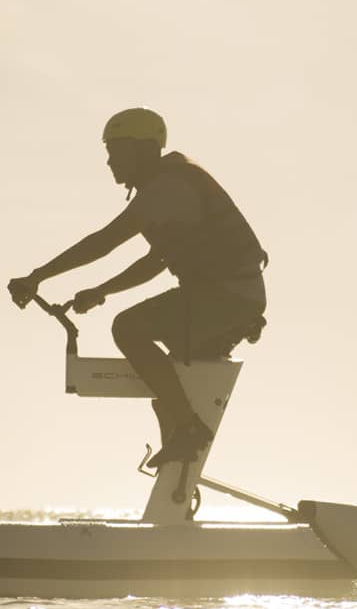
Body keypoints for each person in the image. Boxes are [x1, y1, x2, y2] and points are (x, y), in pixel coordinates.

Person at [8, 107, 267, 467]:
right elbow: (155, 261)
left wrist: (37, 276)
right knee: (168, 383)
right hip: (231, 299)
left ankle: (188, 430)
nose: (109, 161)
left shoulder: (168, 188)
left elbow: (104, 242)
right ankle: (180, 462)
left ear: (144, 149)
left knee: (128, 328)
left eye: (115, 151)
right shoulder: (166, 188)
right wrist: (102, 290)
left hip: (225, 299)